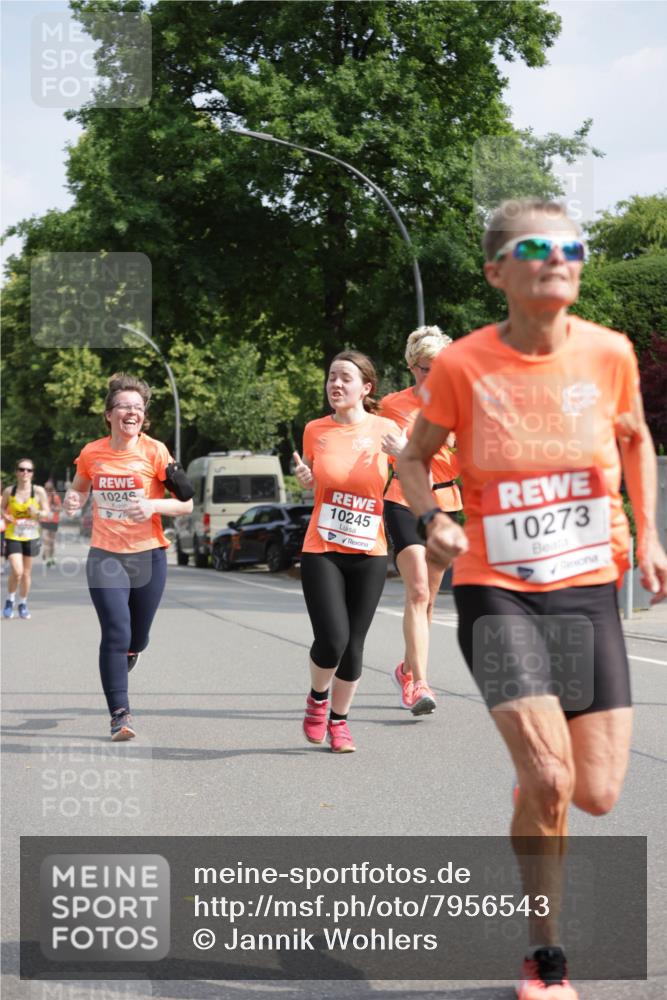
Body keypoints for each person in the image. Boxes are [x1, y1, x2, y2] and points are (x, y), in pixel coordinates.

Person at [397, 199, 667, 1000]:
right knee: (553, 781)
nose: (558, 256)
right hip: (497, 590)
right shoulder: (462, 366)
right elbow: (414, 459)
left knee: (594, 792)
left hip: (588, 591)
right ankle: (544, 957)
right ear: (496, 272)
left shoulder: (609, 354)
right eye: (535, 246)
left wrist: (647, 535)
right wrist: (435, 518)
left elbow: (634, 438)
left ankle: (534, 782)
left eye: (570, 245)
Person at [64, 373, 193, 742]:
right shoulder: (92, 452)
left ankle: (131, 651)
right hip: (106, 554)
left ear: (143, 416)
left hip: (148, 555)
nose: (131, 412)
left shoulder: (155, 451)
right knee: (115, 632)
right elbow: (78, 489)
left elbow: (186, 503)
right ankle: (120, 714)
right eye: (124, 406)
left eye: (138, 407)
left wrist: (152, 504)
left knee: (138, 635)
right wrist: (75, 500)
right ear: (109, 414)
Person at [293, 351, 400, 753]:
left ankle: (340, 722)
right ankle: (317, 699)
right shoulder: (315, 429)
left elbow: (416, 472)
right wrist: (305, 477)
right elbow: (310, 475)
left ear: (366, 388)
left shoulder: (386, 429)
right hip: (322, 547)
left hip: (369, 550)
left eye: (345, 378)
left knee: (355, 644)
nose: (335, 385)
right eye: (331, 377)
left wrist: (406, 454)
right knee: (332, 638)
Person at [380, 325, 462, 715]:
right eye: (426, 369)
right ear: (413, 367)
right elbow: (369, 448)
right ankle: (420, 685)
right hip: (402, 498)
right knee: (415, 591)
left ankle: (406, 668)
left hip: (445, 502)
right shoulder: (391, 406)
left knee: (428, 599)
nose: (434, 376)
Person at [2, 459, 50, 620]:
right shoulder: (10, 491)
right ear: (16, 472)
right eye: (22, 469)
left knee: (26, 574)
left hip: (31, 536)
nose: (25, 473)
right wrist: (5, 516)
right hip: (13, 534)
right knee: (17, 571)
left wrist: (36, 511)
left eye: (29, 470)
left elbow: (46, 513)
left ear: (32, 473)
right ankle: (10, 600)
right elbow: (2, 508)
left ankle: (22, 603)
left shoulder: (38, 492)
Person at [41, 480, 62, 567]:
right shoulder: (42, 497)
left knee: (52, 542)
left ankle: (51, 557)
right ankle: (47, 558)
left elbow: (60, 509)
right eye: (46, 488)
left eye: (49, 488)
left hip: (53, 521)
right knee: (46, 540)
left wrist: (54, 509)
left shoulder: (56, 497)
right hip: (44, 521)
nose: (47, 490)